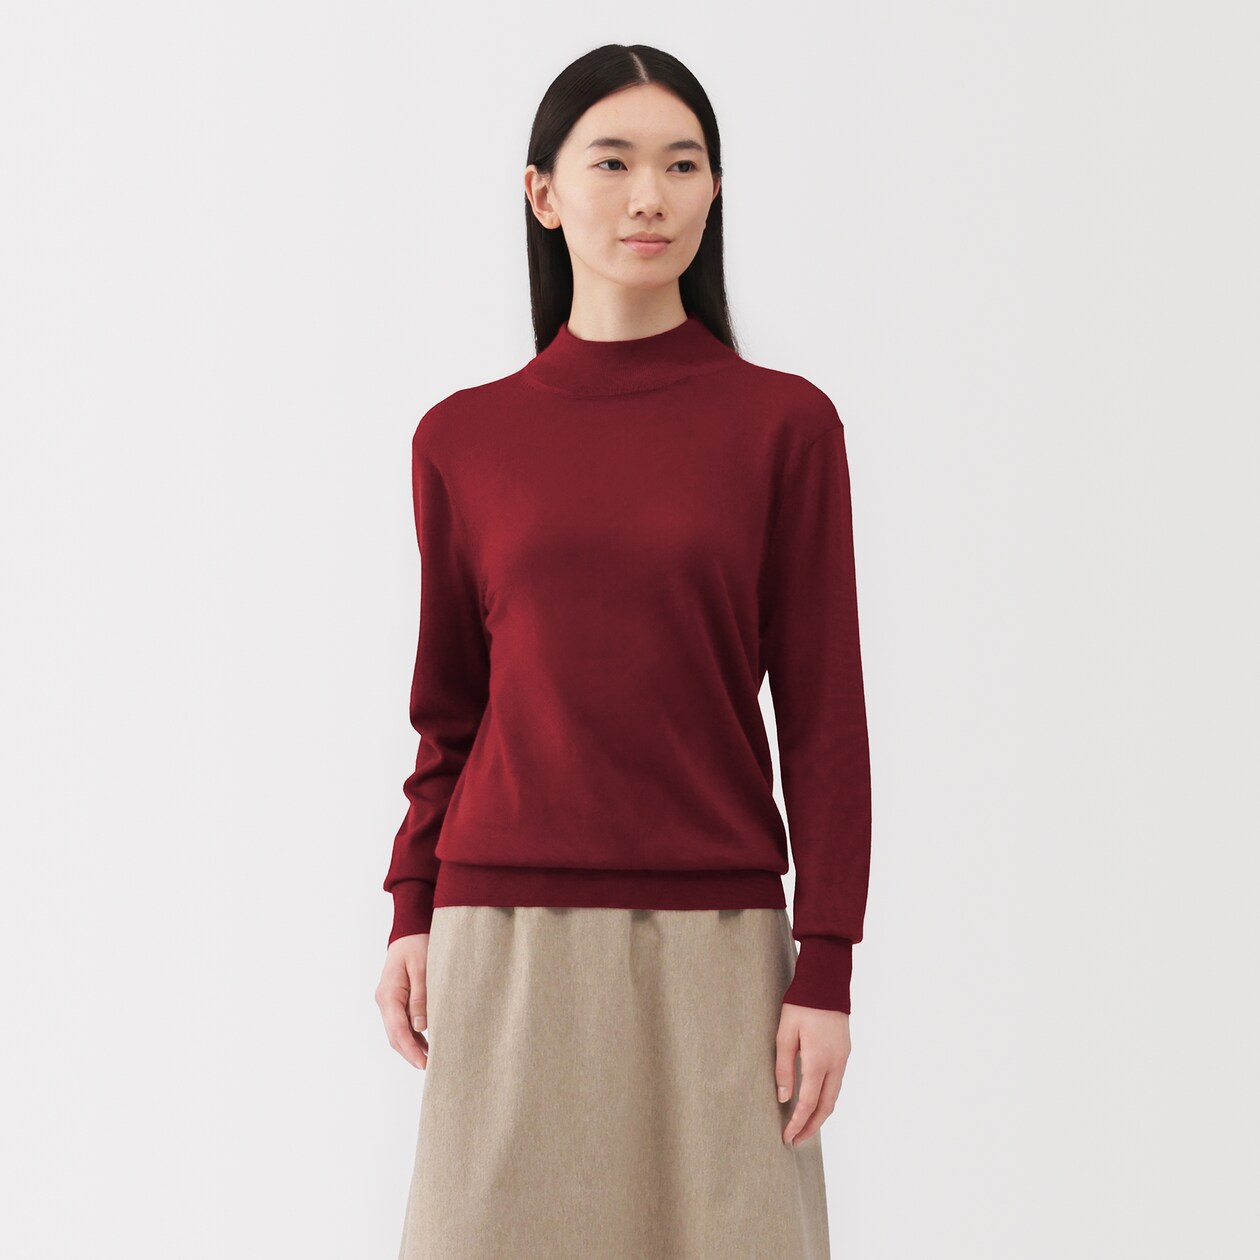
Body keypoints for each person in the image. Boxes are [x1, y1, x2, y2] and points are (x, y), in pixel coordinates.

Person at [375, 43, 872, 1260]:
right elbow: (451, 712)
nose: (650, 195)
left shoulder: (785, 426)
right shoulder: (462, 439)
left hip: (719, 942)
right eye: (613, 163)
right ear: (543, 193)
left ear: (715, 191)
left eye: (682, 165)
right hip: (504, 934)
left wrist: (826, 965)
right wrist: (410, 909)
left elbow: (824, 718)